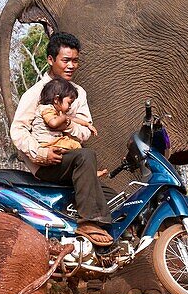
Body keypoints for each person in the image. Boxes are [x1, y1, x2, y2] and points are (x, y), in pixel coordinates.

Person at [10, 33, 113, 246]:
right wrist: (41, 154)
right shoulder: (36, 93)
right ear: (51, 60)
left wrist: (66, 124)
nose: (71, 66)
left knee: (114, 198)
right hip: (48, 164)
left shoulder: (79, 94)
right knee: (86, 156)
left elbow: (85, 132)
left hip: (72, 163)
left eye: (75, 61)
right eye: (65, 60)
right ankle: (87, 223)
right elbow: (18, 130)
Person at [33, 78, 98, 153]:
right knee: (76, 146)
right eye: (69, 103)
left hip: (53, 141)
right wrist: (63, 118)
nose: (70, 107)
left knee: (75, 145)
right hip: (46, 143)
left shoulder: (57, 111)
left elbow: (72, 118)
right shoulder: (46, 109)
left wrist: (87, 124)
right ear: (56, 99)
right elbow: (53, 123)